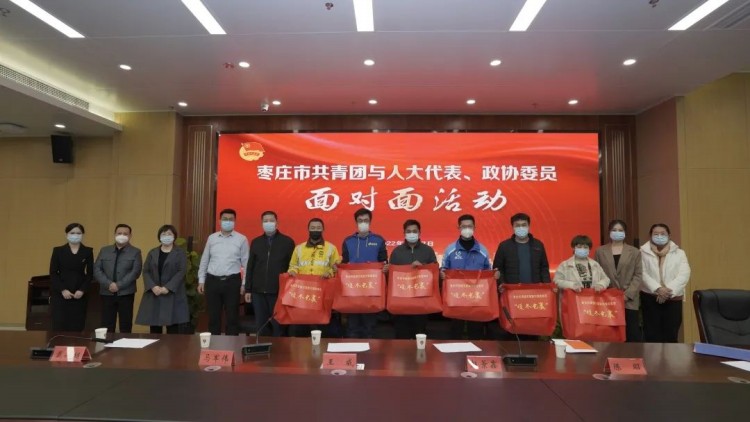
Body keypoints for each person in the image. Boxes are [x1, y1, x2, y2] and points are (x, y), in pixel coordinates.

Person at [198, 209, 249, 336]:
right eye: (225, 219)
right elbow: (204, 260)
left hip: (232, 282)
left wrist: (244, 284)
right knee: (213, 318)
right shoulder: (212, 238)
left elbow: (246, 264)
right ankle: (214, 345)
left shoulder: (242, 239)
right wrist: (201, 280)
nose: (228, 221)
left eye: (231, 219)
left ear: (235, 221)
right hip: (212, 281)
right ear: (219, 221)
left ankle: (232, 345)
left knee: (232, 318)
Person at [244, 211, 295, 337]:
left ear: (277, 223)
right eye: (265, 221)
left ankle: (279, 349)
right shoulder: (256, 242)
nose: (268, 223)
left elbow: (292, 266)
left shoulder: (287, 242)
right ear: (261, 223)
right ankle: (263, 348)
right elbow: (250, 267)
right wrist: (248, 289)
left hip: (279, 291)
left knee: (278, 325)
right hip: (258, 292)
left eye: (271, 220)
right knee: (262, 326)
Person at [287, 218, 341, 337]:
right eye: (312, 228)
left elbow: (336, 268)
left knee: (322, 325)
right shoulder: (299, 248)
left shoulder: (331, 248)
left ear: (323, 229)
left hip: (323, 292)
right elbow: (293, 266)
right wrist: (292, 272)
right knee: (302, 324)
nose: (315, 230)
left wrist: (329, 273)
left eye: (318, 228)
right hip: (303, 292)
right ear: (308, 229)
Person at [441, 214, 492, 340]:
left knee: (476, 333)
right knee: (456, 332)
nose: (467, 229)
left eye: (470, 226)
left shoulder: (483, 250)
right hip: (456, 298)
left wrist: (494, 275)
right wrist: (442, 274)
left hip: (476, 299)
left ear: (474, 227)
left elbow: (488, 273)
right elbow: (444, 269)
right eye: (464, 226)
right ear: (458, 228)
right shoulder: (450, 249)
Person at [340, 208, 387, 338]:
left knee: (369, 329)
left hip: (371, 291)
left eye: (366, 220)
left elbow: (383, 262)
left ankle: (370, 351)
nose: (363, 223)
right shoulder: (348, 241)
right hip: (352, 291)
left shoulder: (379, 240)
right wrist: (338, 267)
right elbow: (345, 263)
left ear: (370, 222)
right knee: (352, 328)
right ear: (356, 222)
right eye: (360, 220)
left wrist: (385, 268)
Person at [640, 223, 691, 343]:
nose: (659, 236)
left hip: (673, 298)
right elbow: (642, 273)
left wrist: (667, 291)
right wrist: (658, 289)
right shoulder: (642, 252)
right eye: (656, 234)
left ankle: (671, 356)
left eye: (663, 234)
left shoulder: (679, 253)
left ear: (669, 235)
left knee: (671, 335)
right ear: (650, 236)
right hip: (650, 298)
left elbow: (684, 274)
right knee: (652, 335)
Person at [594, 220, 643, 342]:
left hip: (629, 300)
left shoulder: (634, 252)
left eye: (620, 230)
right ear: (609, 232)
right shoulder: (600, 251)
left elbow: (638, 275)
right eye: (614, 230)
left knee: (631, 334)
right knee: (610, 335)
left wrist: (627, 295)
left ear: (625, 233)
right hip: (607, 299)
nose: (617, 232)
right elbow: (596, 274)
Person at [388, 219, 438, 339]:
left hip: (421, 304)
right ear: (404, 233)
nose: (412, 233)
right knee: (401, 339)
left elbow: (435, 273)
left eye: (414, 231)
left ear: (419, 233)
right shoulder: (396, 252)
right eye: (409, 231)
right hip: (401, 304)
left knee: (420, 338)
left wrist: (423, 267)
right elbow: (391, 277)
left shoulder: (428, 251)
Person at [135, 225, 189, 334]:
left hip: (172, 293)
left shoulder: (180, 253)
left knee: (173, 330)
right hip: (155, 293)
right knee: (155, 330)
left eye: (169, 234)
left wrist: (168, 287)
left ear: (174, 236)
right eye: (164, 234)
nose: (166, 236)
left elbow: (181, 271)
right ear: (159, 237)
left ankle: (172, 346)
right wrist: (153, 286)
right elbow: (146, 271)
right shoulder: (152, 252)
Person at [94, 224, 143, 333]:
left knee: (125, 324)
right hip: (106, 292)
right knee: (106, 323)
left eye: (125, 234)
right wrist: (109, 284)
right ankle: (107, 343)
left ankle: (125, 344)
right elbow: (97, 269)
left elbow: (135, 272)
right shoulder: (104, 250)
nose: (122, 235)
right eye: (119, 233)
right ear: (115, 234)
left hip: (126, 293)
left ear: (130, 236)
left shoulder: (136, 252)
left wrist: (119, 285)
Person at [49, 223, 94, 332]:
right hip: (61, 294)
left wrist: (82, 290)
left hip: (79, 294)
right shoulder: (58, 251)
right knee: (59, 324)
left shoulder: (88, 251)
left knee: (77, 325)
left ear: (82, 235)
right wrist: (62, 289)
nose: (75, 235)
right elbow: (53, 273)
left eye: (78, 233)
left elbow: (90, 274)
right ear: (66, 234)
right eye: (72, 233)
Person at [492, 213, 551, 285]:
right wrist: (502, 285)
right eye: (517, 225)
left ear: (528, 226)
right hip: (512, 290)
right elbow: (498, 270)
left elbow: (544, 269)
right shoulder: (504, 246)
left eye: (524, 225)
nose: (521, 228)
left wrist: (547, 286)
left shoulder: (538, 245)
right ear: (513, 227)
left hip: (535, 289)